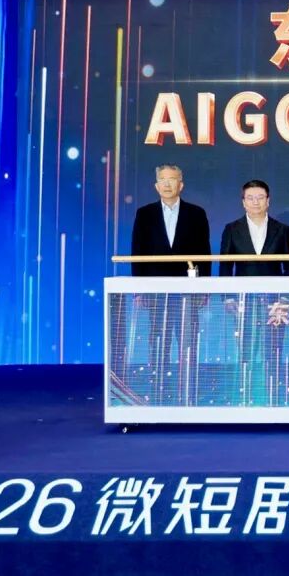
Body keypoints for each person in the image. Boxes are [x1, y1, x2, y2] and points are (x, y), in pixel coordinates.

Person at [126, 164, 211, 405]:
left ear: (180, 185)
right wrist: (139, 290)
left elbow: (204, 253)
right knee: (158, 341)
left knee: (188, 342)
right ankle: (158, 390)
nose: (167, 184)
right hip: (156, 291)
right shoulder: (145, 214)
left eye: (172, 179)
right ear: (156, 186)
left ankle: (189, 391)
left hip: (188, 291)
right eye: (162, 180)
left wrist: (204, 288)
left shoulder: (196, 214)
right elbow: (137, 252)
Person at [219, 179, 289, 276]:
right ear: (243, 202)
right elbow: (225, 267)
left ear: (268, 201)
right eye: (250, 198)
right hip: (243, 285)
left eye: (260, 197)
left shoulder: (282, 230)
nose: (255, 202)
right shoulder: (231, 229)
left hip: (274, 285)